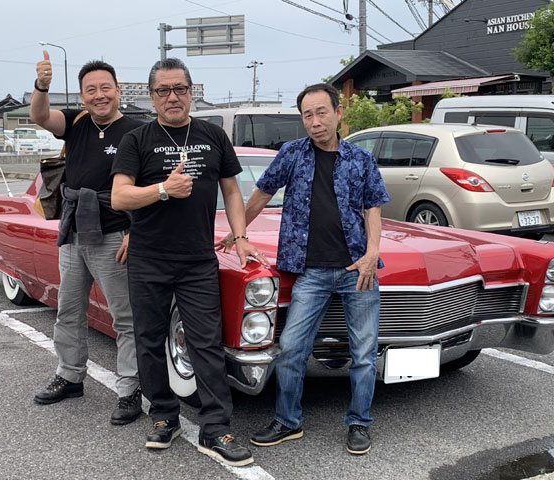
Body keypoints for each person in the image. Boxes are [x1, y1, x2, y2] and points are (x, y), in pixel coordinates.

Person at [216, 83, 390, 455]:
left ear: (338, 113)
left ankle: (359, 423)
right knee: (292, 348)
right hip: (310, 272)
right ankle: (288, 421)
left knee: (363, 353)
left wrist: (372, 253)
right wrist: (237, 233)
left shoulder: (361, 159)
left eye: (321, 112)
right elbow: (261, 194)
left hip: (358, 270)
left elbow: (373, 208)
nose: (315, 121)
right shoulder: (292, 154)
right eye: (307, 115)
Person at [110, 58, 267, 467]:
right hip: (148, 257)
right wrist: (163, 189)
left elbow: (231, 191)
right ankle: (164, 416)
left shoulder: (212, 135)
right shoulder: (137, 140)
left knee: (206, 342)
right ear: (152, 97)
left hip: (198, 258)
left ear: (191, 92)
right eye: (163, 90)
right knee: (149, 340)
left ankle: (216, 428)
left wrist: (241, 237)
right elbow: (120, 197)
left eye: (180, 88)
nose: (172, 97)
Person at [30, 52, 143, 426]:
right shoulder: (76, 123)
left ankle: (130, 389)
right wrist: (42, 85)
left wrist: (135, 231)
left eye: (105, 87)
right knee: (68, 309)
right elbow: (40, 116)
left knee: (124, 317)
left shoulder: (136, 130)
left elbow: (146, 185)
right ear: (82, 96)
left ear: (118, 89)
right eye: (91, 90)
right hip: (75, 231)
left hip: (115, 233)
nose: (99, 95)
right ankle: (70, 375)